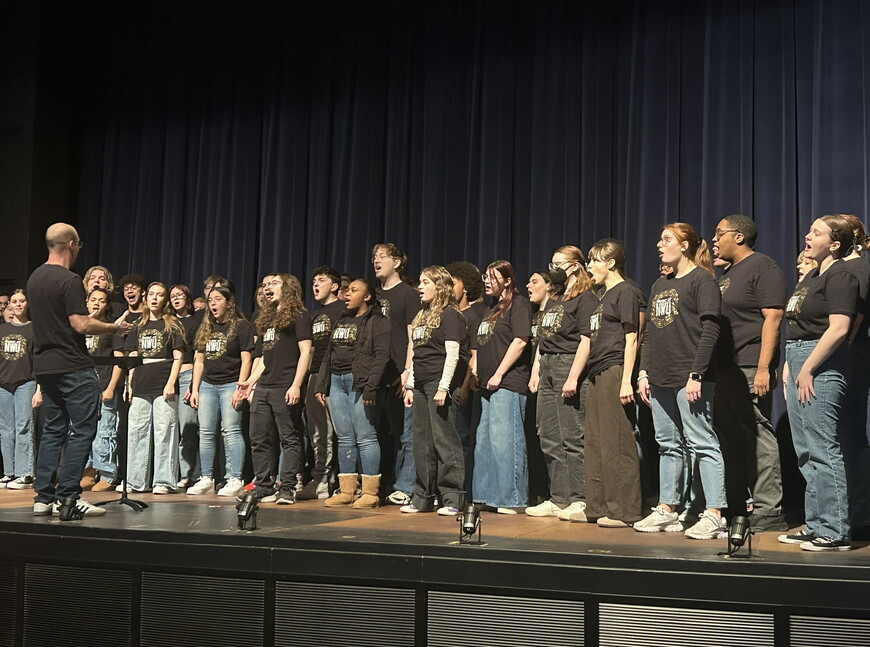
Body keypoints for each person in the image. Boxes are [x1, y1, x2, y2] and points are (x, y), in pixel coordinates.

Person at [28, 223, 131, 518]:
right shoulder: (69, 280)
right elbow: (80, 324)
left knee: (52, 430)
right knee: (82, 429)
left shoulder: (35, 279)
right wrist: (116, 327)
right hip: (72, 365)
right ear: (72, 244)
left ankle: (43, 498)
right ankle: (68, 497)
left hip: (45, 367)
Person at [635, 223, 726, 540]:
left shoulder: (702, 280)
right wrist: (644, 372)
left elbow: (711, 330)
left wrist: (697, 373)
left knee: (703, 443)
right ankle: (668, 510)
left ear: (685, 245)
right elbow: (650, 336)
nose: (659, 245)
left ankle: (715, 514)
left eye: (667, 240)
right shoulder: (660, 283)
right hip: (660, 377)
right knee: (668, 445)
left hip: (690, 377)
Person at [779, 215, 858, 551]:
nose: (808, 236)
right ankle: (815, 523)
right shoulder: (811, 275)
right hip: (800, 358)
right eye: (809, 231)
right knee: (806, 450)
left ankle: (836, 530)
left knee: (824, 447)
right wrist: (789, 364)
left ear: (836, 243)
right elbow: (797, 323)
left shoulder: (841, 274)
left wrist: (808, 367)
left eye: (816, 232)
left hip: (821, 361)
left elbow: (839, 328)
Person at [711, 214, 788, 531]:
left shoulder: (763, 266)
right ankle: (739, 506)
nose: (714, 239)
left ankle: (769, 511)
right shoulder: (727, 273)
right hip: (725, 368)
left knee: (756, 434)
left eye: (719, 233)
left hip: (749, 364)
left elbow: (773, 318)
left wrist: (762, 369)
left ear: (738, 236)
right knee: (729, 436)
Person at [527, 246, 596, 521]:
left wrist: (573, 376)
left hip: (569, 364)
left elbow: (586, 340)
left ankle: (579, 498)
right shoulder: (557, 299)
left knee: (571, 436)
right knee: (548, 435)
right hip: (547, 366)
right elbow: (543, 341)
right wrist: (535, 371)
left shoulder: (585, 298)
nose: (554, 268)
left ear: (575, 266)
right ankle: (559, 497)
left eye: (559, 263)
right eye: (551, 263)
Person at [583, 240, 644, 528]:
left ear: (610, 263)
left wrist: (626, 380)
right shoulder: (602, 296)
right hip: (596, 371)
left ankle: (624, 510)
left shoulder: (626, 292)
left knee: (617, 441)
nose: (589, 267)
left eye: (593, 261)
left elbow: (632, 338)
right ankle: (597, 505)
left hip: (615, 369)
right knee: (596, 441)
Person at [316, 279, 391, 508]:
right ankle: (347, 490)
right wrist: (321, 384)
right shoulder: (342, 320)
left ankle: (370, 492)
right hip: (337, 382)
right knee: (345, 437)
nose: (347, 294)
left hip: (361, 382)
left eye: (353, 291)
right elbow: (328, 353)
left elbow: (382, 357)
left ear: (367, 297)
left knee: (366, 437)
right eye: (346, 291)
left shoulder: (379, 321)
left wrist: (371, 386)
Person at [237, 274, 312, 504]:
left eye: (274, 284)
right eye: (266, 285)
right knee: (259, 438)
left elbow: (306, 353)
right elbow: (263, 358)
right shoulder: (266, 318)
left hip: (285, 385)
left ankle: (287, 487)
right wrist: (250, 381)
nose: (268, 288)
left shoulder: (299, 316)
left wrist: (296, 384)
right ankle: (263, 485)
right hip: (264, 387)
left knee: (288, 438)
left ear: (288, 288)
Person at [401, 266, 467, 515]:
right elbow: (418, 355)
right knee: (421, 442)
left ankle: (453, 498)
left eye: (425, 282)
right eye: (419, 282)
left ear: (439, 285)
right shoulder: (422, 315)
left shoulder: (450, 315)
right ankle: (423, 497)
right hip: (420, 384)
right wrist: (409, 385)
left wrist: (443, 387)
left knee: (444, 440)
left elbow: (452, 354)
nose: (420, 287)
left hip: (439, 384)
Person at [471, 260, 531, 513]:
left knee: (506, 441)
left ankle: (512, 498)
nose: (487, 281)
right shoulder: (491, 309)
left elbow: (520, 341)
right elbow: (481, 344)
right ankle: (485, 496)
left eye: (493, 277)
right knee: (485, 442)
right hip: (487, 385)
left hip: (507, 382)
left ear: (507, 280)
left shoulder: (519, 304)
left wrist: (498, 373)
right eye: (485, 276)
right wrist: (476, 371)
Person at [188, 286, 254, 497]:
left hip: (230, 384)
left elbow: (247, 359)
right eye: (210, 300)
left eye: (218, 299)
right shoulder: (205, 327)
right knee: (206, 432)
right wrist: (195, 388)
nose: (213, 303)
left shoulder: (241, 327)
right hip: (207, 385)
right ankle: (206, 477)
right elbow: (199, 360)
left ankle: (235, 477)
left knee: (231, 431)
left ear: (229, 303)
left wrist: (240, 387)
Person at [124, 282, 185, 494]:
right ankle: (135, 480)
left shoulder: (172, 325)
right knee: (136, 432)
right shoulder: (137, 325)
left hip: (163, 382)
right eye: (151, 294)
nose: (154, 298)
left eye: (159, 295)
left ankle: (164, 481)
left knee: (164, 432)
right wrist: (129, 383)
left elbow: (178, 356)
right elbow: (131, 355)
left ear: (165, 300)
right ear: (146, 298)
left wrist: (170, 382)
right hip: (141, 382)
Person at [372, 243, 421, 505]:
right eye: (374, 257)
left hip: (400, 375)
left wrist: (407, 371)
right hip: (377, 376)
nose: (376, 261)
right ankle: (380, 484)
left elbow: (414, 336)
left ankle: (406, 485)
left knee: (406, 433)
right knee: (379, 433)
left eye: (382, 256)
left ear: (398, 262)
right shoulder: (374, 295)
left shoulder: (408, 295)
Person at [299, 266, 346, 499]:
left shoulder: (342, 310)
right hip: (315, 375)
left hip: (334, 375)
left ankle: (338, 480)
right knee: (318, 431)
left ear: (335, 286)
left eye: (322, 280)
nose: (315, 284)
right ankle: (320, 478)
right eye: (314, 280)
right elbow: (312, 350)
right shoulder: (316, 314)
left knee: (339, 431)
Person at [445, 261, 486, 495]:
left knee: (463, 438)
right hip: (446, 384)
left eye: (454, 282)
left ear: (466, 287)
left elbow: (474, 353)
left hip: (463, 385)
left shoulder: (475, 314)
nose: (449, 287)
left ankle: (466, 490)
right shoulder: (449, 315)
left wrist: (464, 386)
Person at [81, 287, 125, 492]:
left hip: (105, 384)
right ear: (87, 302)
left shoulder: (109, 328)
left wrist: (111, 387)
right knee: (82, 431)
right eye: (93, 299)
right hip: (83, 387)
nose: (97, 303)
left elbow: (119, 360)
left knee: (105, 431)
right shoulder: (80, 326)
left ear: (107, 305)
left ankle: (107, 472)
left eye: (101, 300)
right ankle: (88, 471)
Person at [0, 289, 42, 489]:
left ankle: (25, 473)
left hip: (26, 382)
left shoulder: (34, 329)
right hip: (3, 385)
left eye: (21, 301)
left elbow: (40, 362)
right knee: (5, 429)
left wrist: (39, 389)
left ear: (27, 303)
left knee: (23, 427)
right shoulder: (2, 330)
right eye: (13, 302)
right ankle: (9, 472)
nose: (17, 304)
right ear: (8, 307)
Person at [169, 284, 200, 489]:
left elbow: (199, 352)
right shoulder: (167, 321)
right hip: (167, 377)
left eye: (180, 295)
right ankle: (172, 474)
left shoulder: (196, 320)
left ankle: (192, 474)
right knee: (171, 429)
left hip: (187, 375)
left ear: (188, 298)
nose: (176, 299)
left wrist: (195, 383)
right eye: (172, 296)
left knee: (188, 428)